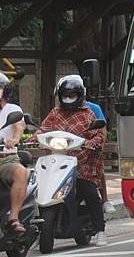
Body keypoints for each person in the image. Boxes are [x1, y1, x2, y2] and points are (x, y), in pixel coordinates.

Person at [38, 76, 107, 246]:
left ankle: (100, 230)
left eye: (73, 94)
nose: (69, 97)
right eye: (66, 94)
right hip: (57, 160)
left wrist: (90, 143)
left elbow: (98, 134)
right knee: (38, 187)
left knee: (90, 191)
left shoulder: (87, 114)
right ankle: (37, 230)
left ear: (80, 94)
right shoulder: (55, 113)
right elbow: (43, 129)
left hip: (81, 164)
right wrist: (35, 137)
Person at [56, 75, 115, 215]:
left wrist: (95, 144)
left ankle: (104, 200)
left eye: (73, 94)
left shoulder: (93, 108)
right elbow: (49, 128)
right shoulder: (58, 111)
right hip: (65, 150)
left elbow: (102, 131)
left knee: (97, 166)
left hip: (86, 149)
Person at [0, 73, 28, 233]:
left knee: (20, 172)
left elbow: (19, 125)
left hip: (6, 159)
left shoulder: (13, 109)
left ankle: (14, 218)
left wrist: (15, 139)